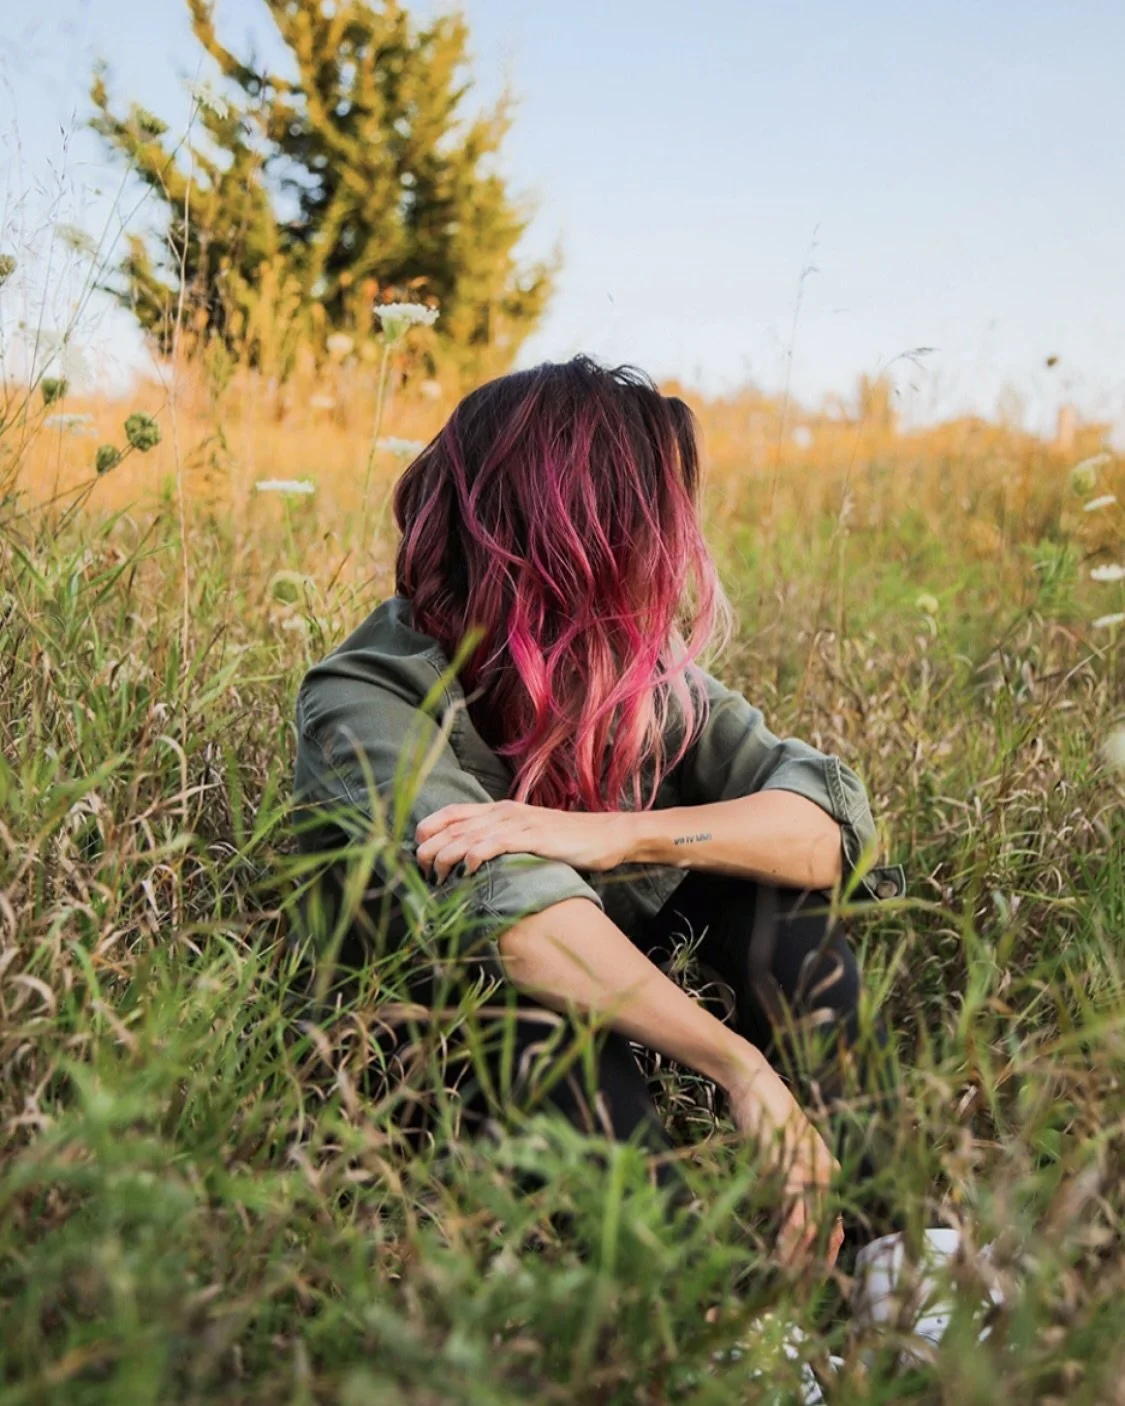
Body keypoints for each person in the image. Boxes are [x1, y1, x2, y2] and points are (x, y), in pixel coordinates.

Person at [291, 355, 907, 1272]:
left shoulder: (630, 671)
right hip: (433, 1033)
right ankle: (699, 1310)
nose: (667, 557)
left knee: (780, 907)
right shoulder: (366, 697)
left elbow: (825, 827)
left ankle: (902, 1254)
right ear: (568, 535)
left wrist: (619, 834)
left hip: (610, 976)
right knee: (533, 1017)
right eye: (645, 524)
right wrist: (741, 1068)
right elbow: (517, 930)